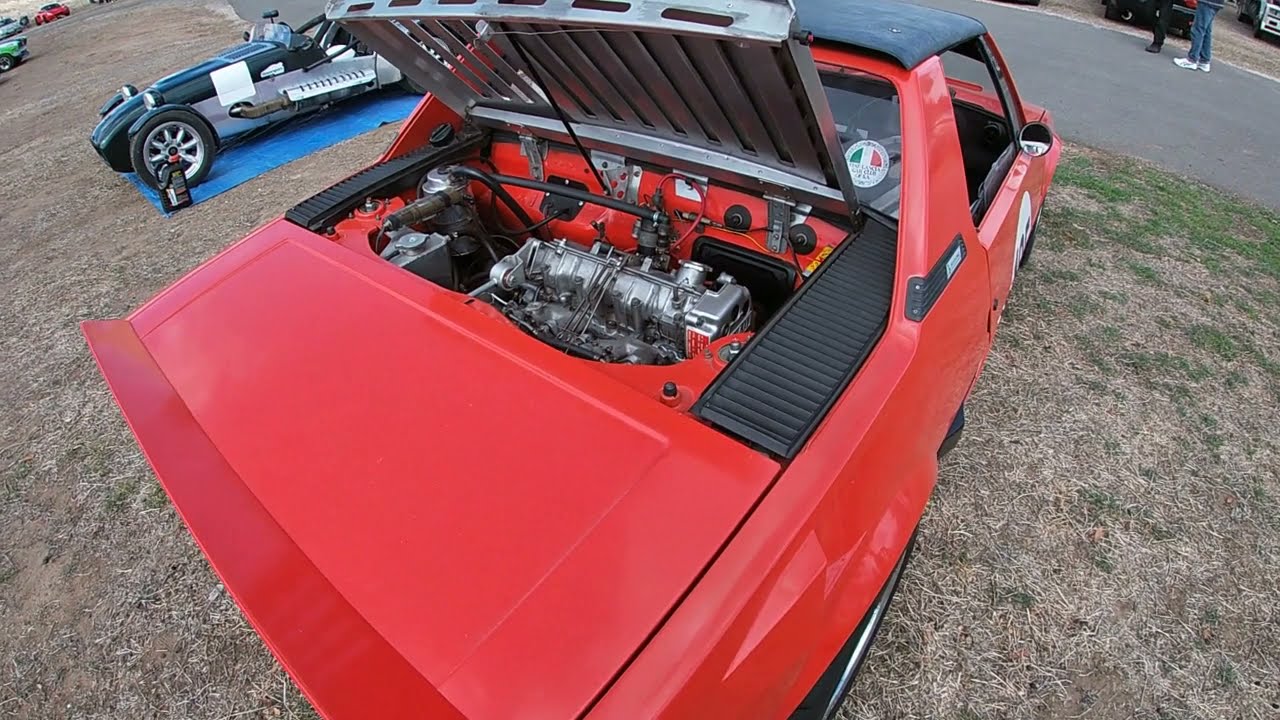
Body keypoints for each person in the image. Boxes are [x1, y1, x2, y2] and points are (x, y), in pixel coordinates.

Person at [1175, 0, 1225, 72]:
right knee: (1206, 30)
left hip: (1207, 2)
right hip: (1217, 3)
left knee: (1198, 29)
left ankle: (1192, 59)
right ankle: (1204, 60)